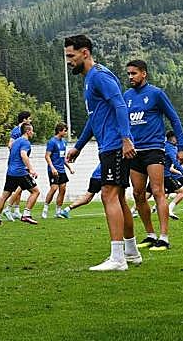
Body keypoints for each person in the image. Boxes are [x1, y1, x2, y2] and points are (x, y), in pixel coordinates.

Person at [64, 34, 141, 272]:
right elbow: (94, 118)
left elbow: (120, 105)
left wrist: (126, 139)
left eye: (71, 56)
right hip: (109, 144)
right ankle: (131, 252)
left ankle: (118, 258)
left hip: (115, 144)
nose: (68, 61)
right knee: (118, 198)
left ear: (85, 52)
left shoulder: (100, 76)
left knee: (108, 195)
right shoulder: (89, 79)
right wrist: (79, 145)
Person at [123, 59, 183, 251]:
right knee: (137, 194)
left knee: (158, 191)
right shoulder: (127, 96)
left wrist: (181, 147)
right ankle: (150, 235)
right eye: (128, 74)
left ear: (144, 73)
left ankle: (164, 238)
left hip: (154, 149)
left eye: (134, 73)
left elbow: (174, 119)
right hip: (134, 152)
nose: (130, 77)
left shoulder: (156, 93)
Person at [0, 122, 40, 224]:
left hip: (11, 172)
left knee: (4, 196)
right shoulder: (25, 142)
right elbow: (23, 155)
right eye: (32, 131)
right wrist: (31, 169)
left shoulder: (15, 142)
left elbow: (12, 157)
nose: (33, 133)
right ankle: (26, 214)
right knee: (35, 191)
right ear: (27, 131)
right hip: (20, 172)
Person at [2, 110, 32, 220]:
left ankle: (15, 210)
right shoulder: (17, 130)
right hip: (18, 164)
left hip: (21, 163)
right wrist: (17, 155)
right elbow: (10, 144)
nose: (30, 120)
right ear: (24, 119)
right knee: (21, 186)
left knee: (20, 187)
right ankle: (9, 207)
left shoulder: (23, 130)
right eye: (29, 118)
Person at [44, 123, 72, 218]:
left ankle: (58, 211)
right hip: (54, 169)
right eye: (65, 130)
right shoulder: (52, 142)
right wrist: (52, 168)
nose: (66, 132)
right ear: (59, 131)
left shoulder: (64, 142)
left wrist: (69, 168)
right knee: (54, 188)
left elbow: (62, 157)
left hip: (62, 170)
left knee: (63, 189)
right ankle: (45, 209)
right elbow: (47, 156)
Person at [164, 131, 183, 215]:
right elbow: (174, 164)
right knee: (181, 192)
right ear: (172, 138)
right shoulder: (169, 148)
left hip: (172, 174)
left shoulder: (176, 148)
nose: (178, 140)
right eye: (176, 138)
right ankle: (168, 209)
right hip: (168, 174)